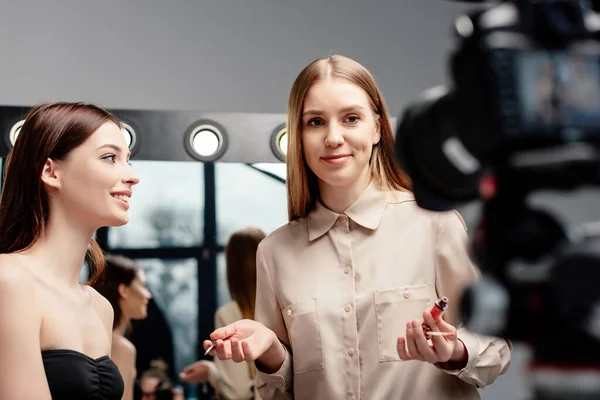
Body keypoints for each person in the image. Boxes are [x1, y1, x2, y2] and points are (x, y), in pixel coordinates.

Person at [205, 55, 512, 399]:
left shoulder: (435, 223)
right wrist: (270, 354)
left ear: (377, 127)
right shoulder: (274, 252)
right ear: (299, 135)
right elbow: (274, 393)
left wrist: (454, 350)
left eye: (351, 118)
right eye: (315, 122)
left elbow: (496, 347)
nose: (333, 137)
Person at [0, 102, 139, 400]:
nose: (131, 175)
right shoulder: (8, 280)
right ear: (51, 172)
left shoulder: (100, 307)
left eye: (128, 160)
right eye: (110, 158)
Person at [180, 226, 266, 399]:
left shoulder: (230, 314)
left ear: (232, 269)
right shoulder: (285, 308)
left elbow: (237, 392)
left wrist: (211, 373)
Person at [94, 254, 153, 400]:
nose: (148, 295)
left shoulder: (95, 337)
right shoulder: (121, 347)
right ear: (124, 290)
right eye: (142, 286)